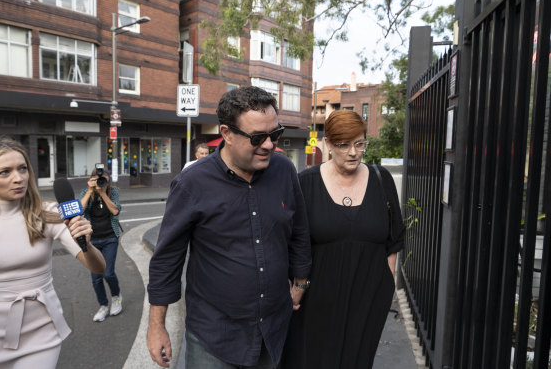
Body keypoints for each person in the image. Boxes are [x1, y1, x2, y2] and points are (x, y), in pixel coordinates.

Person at [147, 86, 312, 368]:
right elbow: (167, 258)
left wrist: (299, 284)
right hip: (214, 338)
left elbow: (299, 231)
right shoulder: (192, 183)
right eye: (258, 137)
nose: (270, 145)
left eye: (275, 134)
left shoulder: (284, 170)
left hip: (273, 329)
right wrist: (156, 325)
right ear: (226, 133)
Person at [280, 110, 405, 369]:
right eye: (343, 144)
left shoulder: (381, 180)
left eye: (360, 143)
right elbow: (288, 241)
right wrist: (296, 288)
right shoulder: (305, 183)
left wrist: (386, 280)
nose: (353, 152)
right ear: (328, 144)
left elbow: (394, 238)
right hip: (314, 302)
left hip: (366, 300)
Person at [0, 137, 105, 369]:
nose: (18, 178)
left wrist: (86, 243)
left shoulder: (50, 213)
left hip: (42, 330)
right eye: (5, 172)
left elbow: (98, 267)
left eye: (22, 169)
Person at [80, 167, 123, 322]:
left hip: (110, 238)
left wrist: (103, 193)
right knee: (96, 277)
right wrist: (91, 191)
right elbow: (79, 209)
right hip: (92, 241)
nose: (101, 182)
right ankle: (103, 306)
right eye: (98, 179)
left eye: (104, 179)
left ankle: (116, 297)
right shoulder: (87, 191)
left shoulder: (113, 192)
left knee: (108, 273)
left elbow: (115, 211)